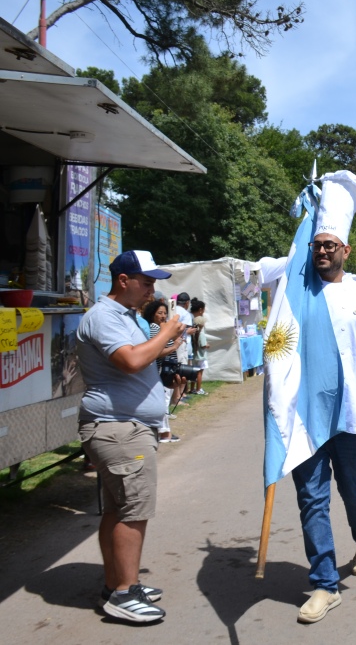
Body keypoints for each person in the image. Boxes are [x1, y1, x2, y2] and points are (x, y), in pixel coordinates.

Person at [256, 171, 356, 624]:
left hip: (351, 415)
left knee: (353, 488)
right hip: (305, 413)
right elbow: (257, 272)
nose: (322, 251)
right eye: (317, 244)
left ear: (346, 250)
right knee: (312, 497)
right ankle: (324, 582)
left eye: (330, 245)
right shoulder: (294, 292)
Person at [77, 250, 185, 623]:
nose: (152, 291)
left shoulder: (123, 316)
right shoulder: (104, 317)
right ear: (124, 280)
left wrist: (168, 344)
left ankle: (120, 583)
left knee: (118, 509)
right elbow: (131, 361)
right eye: (147, 282)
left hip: (125, 427)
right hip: (119, 428)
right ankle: (123, 595)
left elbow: (140, 356)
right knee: (133, 510)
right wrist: (166, 333)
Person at [142, 299, 181, 443]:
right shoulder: (154, 328)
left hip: (165, 370)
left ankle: (165, 431)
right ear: (152, 314)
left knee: (165, 399)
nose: (163, 316)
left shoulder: (161, 328)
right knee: (163, 401)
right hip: (159, 370)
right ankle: (164, 433)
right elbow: (155, 351)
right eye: (159, 313)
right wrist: (174, 346)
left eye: (165, 313)